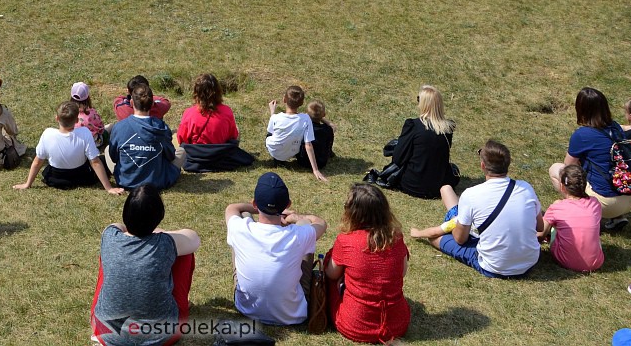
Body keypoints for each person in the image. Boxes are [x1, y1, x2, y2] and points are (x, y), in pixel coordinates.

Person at [410, 140, 543, 278]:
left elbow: (460, 239)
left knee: (436, 238)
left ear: (483, 166)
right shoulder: (526, 188)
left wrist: (455, 224)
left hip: (493, 265)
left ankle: (455, 214)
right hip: (529, 262)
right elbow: (539, 226)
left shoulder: (471, 194)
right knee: (449, 196)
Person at [90, 186, 200, 346]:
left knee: (108, 256)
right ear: (159, 216)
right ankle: (181, 302)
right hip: (163, 337)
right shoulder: (165, 244)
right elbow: (193, 239)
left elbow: (116, 225)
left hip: (106, 333)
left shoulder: (110, 236)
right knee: (185, 254)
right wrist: (162, 233)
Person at [225, 172, 327, 326]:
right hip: (292, 315)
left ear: (255, 203)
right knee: (305, 227)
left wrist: (256, 209)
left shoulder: (240, 229)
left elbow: (233, 208)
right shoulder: (298, 235)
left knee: (241, 220)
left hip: (247, 309)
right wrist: (296, 218)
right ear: (288, 204)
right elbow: (320, 223)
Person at [325, 183, 410, 344]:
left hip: (354, 325)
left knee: (331, 281)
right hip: (397, 325)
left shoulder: (346, 240)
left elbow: (331, 274)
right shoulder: (397, 238)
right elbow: (402, 272)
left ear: (354, 213)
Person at [548, 87, 631, 231]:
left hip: (607, 203)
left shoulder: (582, 135)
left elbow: (569, 168)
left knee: (556, 169)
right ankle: (618, 217)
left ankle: (580, 214)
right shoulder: (616, 127)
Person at [14, 101, 124, 193]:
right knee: (102, 160)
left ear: (57, 118)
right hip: (82, 177)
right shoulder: (84, 133)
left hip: (56, 178)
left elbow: (38, 162)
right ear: (77, 120)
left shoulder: (48, 134)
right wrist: (108, 188)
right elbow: (95, 162)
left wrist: (27, 184)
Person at [387, 85, 459, 199]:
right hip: (438, 186)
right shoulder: (448, 129)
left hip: (412, 184)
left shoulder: (414, 125)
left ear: (424, 103)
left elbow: (398, 158)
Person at [109, 83, 183, 190]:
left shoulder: (119, 127)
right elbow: (170, 156)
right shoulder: (162, 127)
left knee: (107, 149)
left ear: (131, 102)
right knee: (182, 152)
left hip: (126, 182)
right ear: (152, 104)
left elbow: (113, 156)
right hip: (156, 182)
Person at [539, 165, 603, 272]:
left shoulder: (557, 207)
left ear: (562, 187)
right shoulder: (595, 203)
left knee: (556, 225)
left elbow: (540, 234)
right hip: (596, 262)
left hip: (565, 260)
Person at [266, 85, 326, 181]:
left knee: (269, 135)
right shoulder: (306, 119)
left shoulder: (275, 117)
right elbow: (308, 145)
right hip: (292, 151)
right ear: (302, 103)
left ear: (284, 99)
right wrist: (315, 170)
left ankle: (278, 159)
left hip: (274, 151)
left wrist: (272, 112)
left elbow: (271, 131)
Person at [297, 100, 334, 171]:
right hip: (321, 163)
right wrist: (322, 118)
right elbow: (333, 126)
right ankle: (330, 153)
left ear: (307, 115)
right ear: (324, 114)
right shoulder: (327, 129)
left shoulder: (303, 127)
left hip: (302, 161)